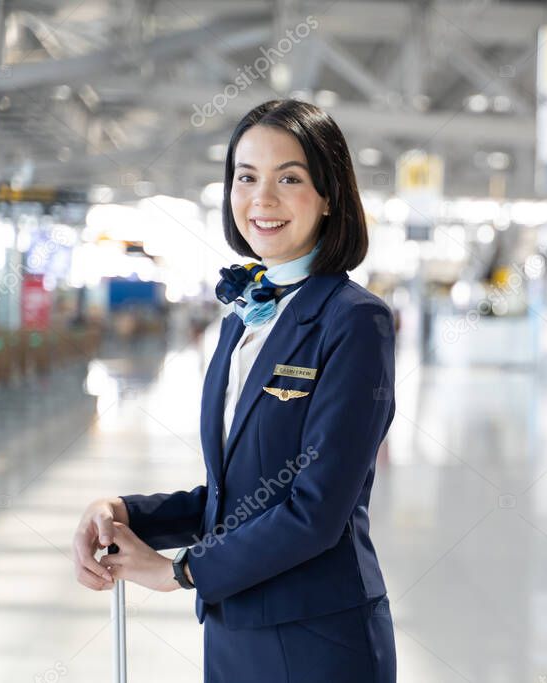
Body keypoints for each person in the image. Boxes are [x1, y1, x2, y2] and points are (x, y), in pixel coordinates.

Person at [71, 99, 397, 682]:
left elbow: (316, 510)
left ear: (329, 197)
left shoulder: (354, 320)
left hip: (319, 640)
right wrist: (126, 513)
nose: (261, 199)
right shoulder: (243, 321)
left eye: (289, 179)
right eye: (246, 177)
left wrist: (180, 571)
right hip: (232, 634)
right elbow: (236, 496)